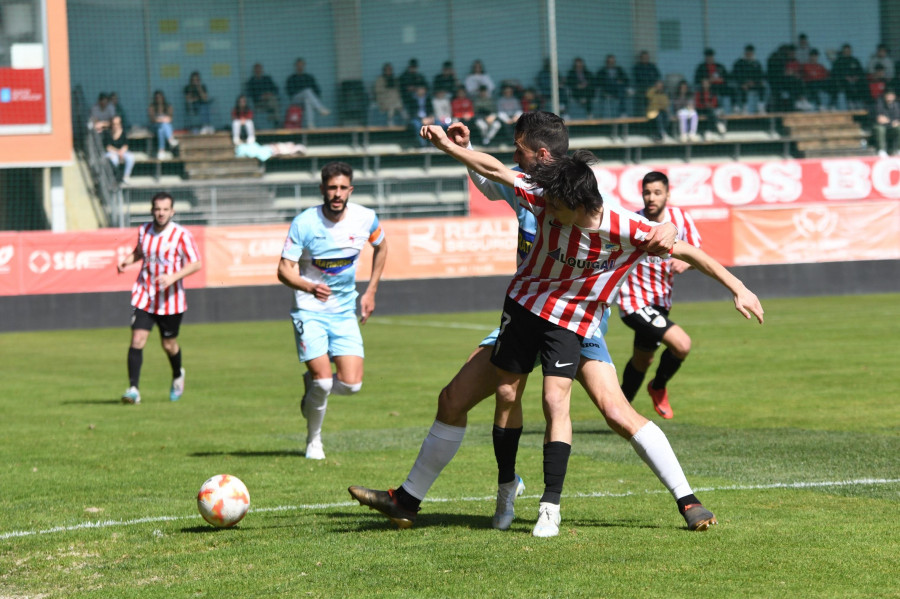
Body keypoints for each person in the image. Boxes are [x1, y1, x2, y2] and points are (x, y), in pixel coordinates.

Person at [349, 112, 764, 537]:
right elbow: (491, 172)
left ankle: (684, 498)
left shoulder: (595, 209)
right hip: (527, 310)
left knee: (614, 412)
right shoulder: (533, 190)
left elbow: (682, 247)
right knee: (458, 398)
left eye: (520, 150)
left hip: (579, 324)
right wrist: (456, 148)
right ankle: (419, 498)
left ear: (544, 158)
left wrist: (738, 286)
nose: (515, 158)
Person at [276, 162, 388, 460]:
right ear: (322, 189)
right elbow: (283, 271)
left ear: (350, 189)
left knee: (351, 386)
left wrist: (371, 291)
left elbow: (382, 246)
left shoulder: (365, 218)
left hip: (343, 311)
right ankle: (314, 441)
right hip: (309, 310)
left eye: (342, 188)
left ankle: (311, 388)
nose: (337, 194)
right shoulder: (304, 223)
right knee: (325, 381)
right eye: (331, 188)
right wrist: (309, 286)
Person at [618, 171, 702, 419]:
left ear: (667, 194)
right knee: (682, 344)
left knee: (642, 360)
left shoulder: (680, 219)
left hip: (661, 303)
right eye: (647, 192)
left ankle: (619, 408)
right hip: (633, 302)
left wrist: (687, 263)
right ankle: (658, 386)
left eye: (657, 192)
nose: (651, 198)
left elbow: (698, 253)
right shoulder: (633, 221)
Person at [117, 192, 202, 405]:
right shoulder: (144, 230)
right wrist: (126, 261)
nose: (161, 213)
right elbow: (139, 252)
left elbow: (195, 263)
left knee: (168, 344)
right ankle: (133, 389)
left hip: (171, 301)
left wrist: (173, 277)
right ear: (152, 210)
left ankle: (177, 375)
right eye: (157, 209)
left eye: (165, 209)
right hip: (145, 296)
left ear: (172, 211)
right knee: (137, 339)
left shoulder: (181, 234)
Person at [286, 58, 330, 128]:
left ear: (304, 66)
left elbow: (317, 90)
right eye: (298, 65)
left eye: (301, 65)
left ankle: (310, 124)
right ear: (295, 66)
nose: (300, 67)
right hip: (296, 100)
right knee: (307, 92)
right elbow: (289, 92)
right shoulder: (291, 78)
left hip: (307, 100)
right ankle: (320, 108)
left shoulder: (309, 77)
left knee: (308, 100)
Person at [693, 48, 731, 114]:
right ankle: (714, 108)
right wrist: (708, 80)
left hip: (720, 86)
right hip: (708, 87)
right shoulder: (701, 67)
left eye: (711, 56)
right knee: (712, 91)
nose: (709, 58)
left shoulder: (719, 66)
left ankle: (728, 108)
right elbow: (697, 79)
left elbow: (727, 77)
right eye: (708, 56)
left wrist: (721, 79)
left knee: (730, 89)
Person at [831, 44, 868, 110]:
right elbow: (835, 73)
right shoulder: (839, 61)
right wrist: (845, 78)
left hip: (856, 82)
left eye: (848, 51)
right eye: (845, 51)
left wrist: (857, 77)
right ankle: (850, 104)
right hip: (844, 83)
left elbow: (861, 71)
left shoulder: (855, 60)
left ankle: (862, 104)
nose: (847, 52)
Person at [731, 45, 767, 114]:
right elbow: (736, 75)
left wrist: (755, 82)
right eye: (748, 52)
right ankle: (744, 108)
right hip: (742, 84)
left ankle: (761, 107)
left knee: (763, 87)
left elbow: (761, 75)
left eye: (751, 53)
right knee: (742, 88)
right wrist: (743, 83)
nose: (749, 54)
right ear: (745, 53)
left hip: (754, 83)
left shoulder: (756, 63)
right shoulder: (739, 63)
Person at [246, 63, 281, 127]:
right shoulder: (251, 81)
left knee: (273, 100)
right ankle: (276, 120)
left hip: (270, 100)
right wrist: (260, 97)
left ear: (262, 70)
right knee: (274, 103)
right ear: (254, 71)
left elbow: (276, 89)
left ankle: (274, 119)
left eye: (259, 69)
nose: (258, 71)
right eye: (256, 69)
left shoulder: (267, 79)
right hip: (259, 103)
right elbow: (249, 93)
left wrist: (270, 94)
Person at [103, 114, 134, 184]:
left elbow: (126, 145)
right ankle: (114, 177)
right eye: (114, 124)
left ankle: (126, 176)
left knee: (130, 157)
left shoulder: (123, 132)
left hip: (122, 151)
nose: (116, 126)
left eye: (118, 124)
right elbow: (108, 147)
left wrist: (122, 151)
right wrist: (117, 152)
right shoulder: (107, 133)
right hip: (112, 152)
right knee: (114, 159)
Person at [148, 90, 178, 160]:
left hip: (165, 127)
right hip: (154, 126)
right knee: (162, 125)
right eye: (157, 97)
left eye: (160, 97)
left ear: (163, 97)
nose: (158, 99)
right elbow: (152, 120)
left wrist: (164, 120)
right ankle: (170, 140)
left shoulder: (168, 106)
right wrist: (161, 120)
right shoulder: (152, 107)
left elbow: (170, 119)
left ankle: (161, 151)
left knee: (161, 130)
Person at [872, 88, 900, 157]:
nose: (889, 97)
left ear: (894, 96)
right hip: (881, 126)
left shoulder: (897, 105)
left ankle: (898, 149)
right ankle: (882, 150)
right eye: (888, 95)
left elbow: (897, 118)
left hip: (892, 126)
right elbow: (880, 119)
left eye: (891, 95)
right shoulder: (879, 103)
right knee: (880, 129)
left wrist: (896, 122)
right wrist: (892, 122)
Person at [633, 50, 662, 118]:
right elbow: (639, 78)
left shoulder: (652, 66)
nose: (645, 59)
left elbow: (657, 76)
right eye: (643, 57)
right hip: (641, 87)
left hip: (652, 87)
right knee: (642, 94)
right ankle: (641, 116)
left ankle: (655, 115)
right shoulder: (637, 67)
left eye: (646, 57)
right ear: (641, 58)